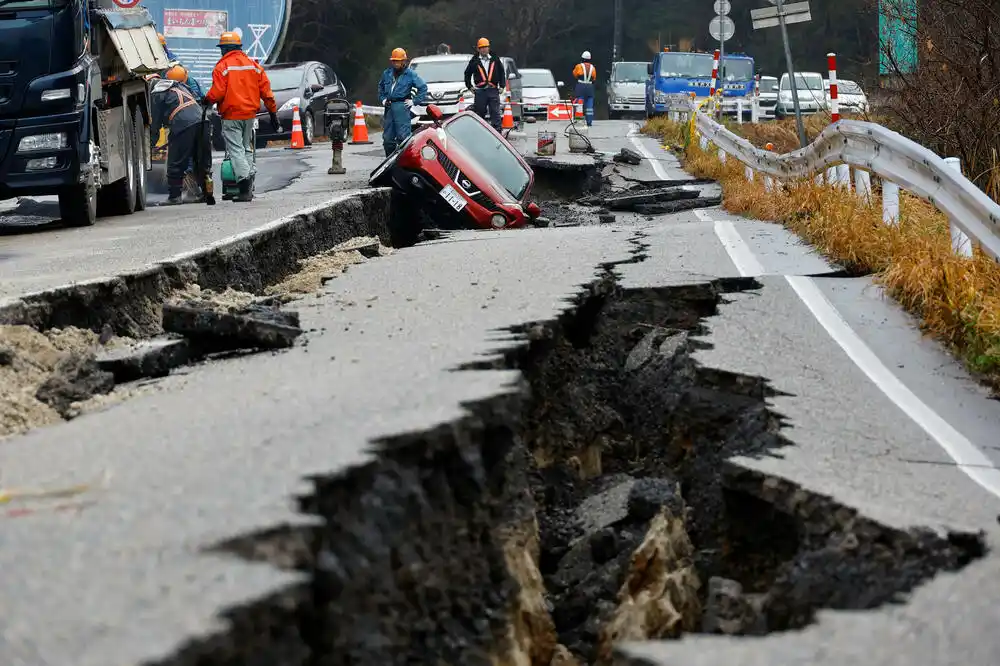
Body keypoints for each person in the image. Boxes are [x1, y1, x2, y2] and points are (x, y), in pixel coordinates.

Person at [202, 31, 280, 202]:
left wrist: (206, 99)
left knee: (236, 150)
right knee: (246, 148)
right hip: (250, 115)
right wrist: (273, 114)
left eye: (222, 48)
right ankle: (249, 180)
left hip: (231, 116)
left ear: (226, 48)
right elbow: (266, 92)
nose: (221, 52)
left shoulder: (222, 67)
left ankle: (244, 187)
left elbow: (217, 92)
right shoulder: (253, 65)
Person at [148, 66, 214, 206]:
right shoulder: (181, 87)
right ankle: (207, 193)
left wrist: (151, 144)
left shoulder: (157, 93)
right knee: (201, 159)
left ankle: (174, 197)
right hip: (203, 122)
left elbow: (155, 122)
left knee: (176, 160)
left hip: (184, 124)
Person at [377, 48, 428, 157]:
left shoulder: (410, 74)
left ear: (404, 61)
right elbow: (381, 87)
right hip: (389, 106)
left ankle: (403, 161)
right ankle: (389, 161)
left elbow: (423, 88)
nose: (396, 63)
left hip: (402, 106)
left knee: (403, 138)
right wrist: (383, 99)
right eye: (394, 61)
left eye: (398, 61)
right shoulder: (387, 73)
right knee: (388, 139)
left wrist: (414, 101)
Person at [464, 37, 505, 131]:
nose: (484, 49)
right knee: (480, 113)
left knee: (495, 112)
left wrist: (502, 86)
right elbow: (467, 74)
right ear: (478, 49)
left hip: (493, 89)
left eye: (486, 47)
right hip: (480, 91)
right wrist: (469, 86)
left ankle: (497, 131)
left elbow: (501, 72)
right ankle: (480, 131)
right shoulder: (474, 61)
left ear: (489, 48)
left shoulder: (495, 59)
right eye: (482, 47)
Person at [572, 51, 597, 127]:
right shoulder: (593, 67)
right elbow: (594, 78)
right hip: (590, 87)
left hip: (581, 86)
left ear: (582, 58)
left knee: (579, 104)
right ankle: (589, 122)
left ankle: (579, 120)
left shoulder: (578, 66)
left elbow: (575, 75)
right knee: (589, 105)